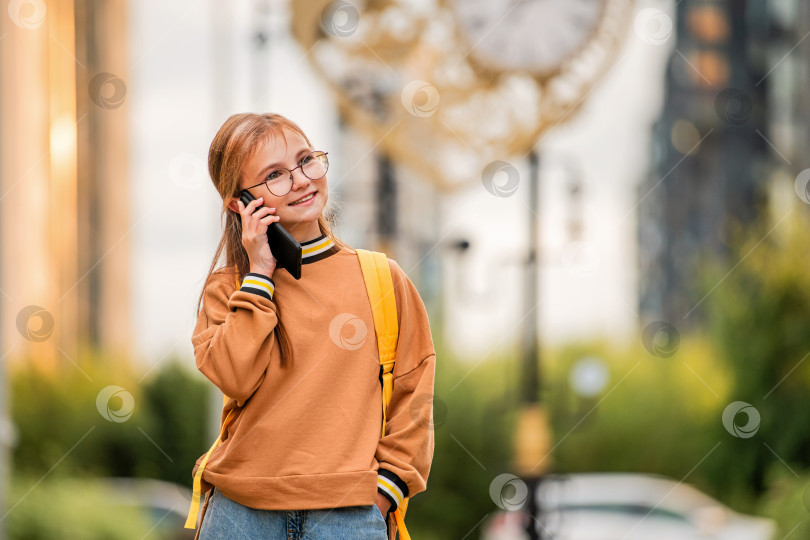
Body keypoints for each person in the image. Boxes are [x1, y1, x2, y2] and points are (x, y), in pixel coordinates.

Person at [188, 112, 436, 540]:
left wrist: (386, 492)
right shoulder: (228, 288)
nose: (301, 180)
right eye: (275, 176)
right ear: (239, 203)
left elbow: (415, 394)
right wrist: (260, 275)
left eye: (306, 160)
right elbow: (236, 377)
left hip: (348, 516)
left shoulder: (381, 278)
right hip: (240, 517)